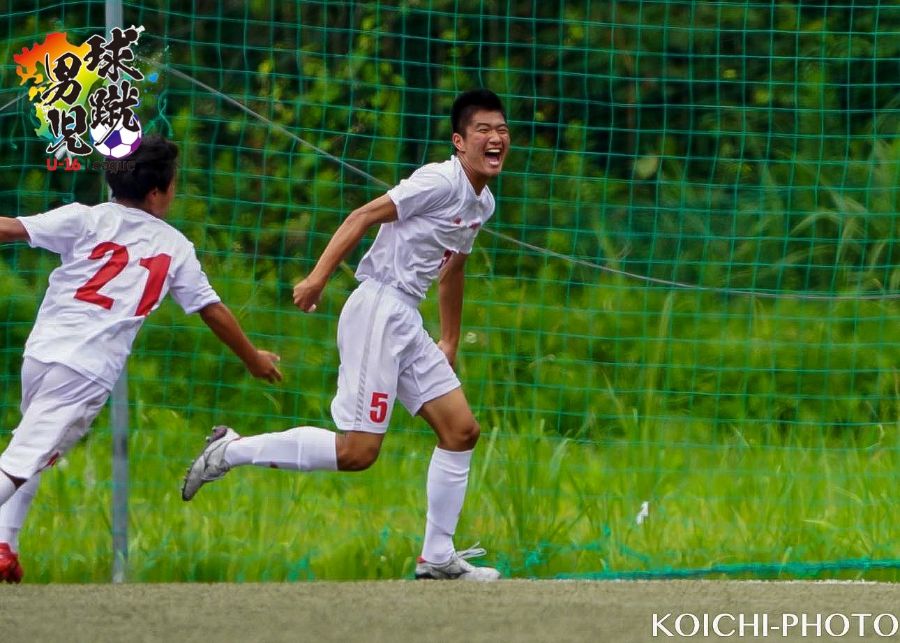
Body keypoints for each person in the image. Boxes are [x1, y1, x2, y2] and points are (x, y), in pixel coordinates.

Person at [182, 89, 510, 581]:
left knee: (461, 431)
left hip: (406, 320)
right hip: (378, 307)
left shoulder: (481, 203)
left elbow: (453, 270)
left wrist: (450, 339)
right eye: (483, 130)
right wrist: (317, 279)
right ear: (459, 142)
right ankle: (230, 449)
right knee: (358, 452)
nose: (496, 138)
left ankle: (437, 558)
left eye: (502, 130)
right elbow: (362, 215)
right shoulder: (438, 180)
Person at [0, 135, 282, 583]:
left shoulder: (85, 218)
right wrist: (252, 358)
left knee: (31, 447)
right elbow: (212, 310)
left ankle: (6, 547)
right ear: (156, 192)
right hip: (87, 367)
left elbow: (9, 227)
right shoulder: (173, 246)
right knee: (26, 455)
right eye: (174, 184)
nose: (175, 191)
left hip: (41, 352)